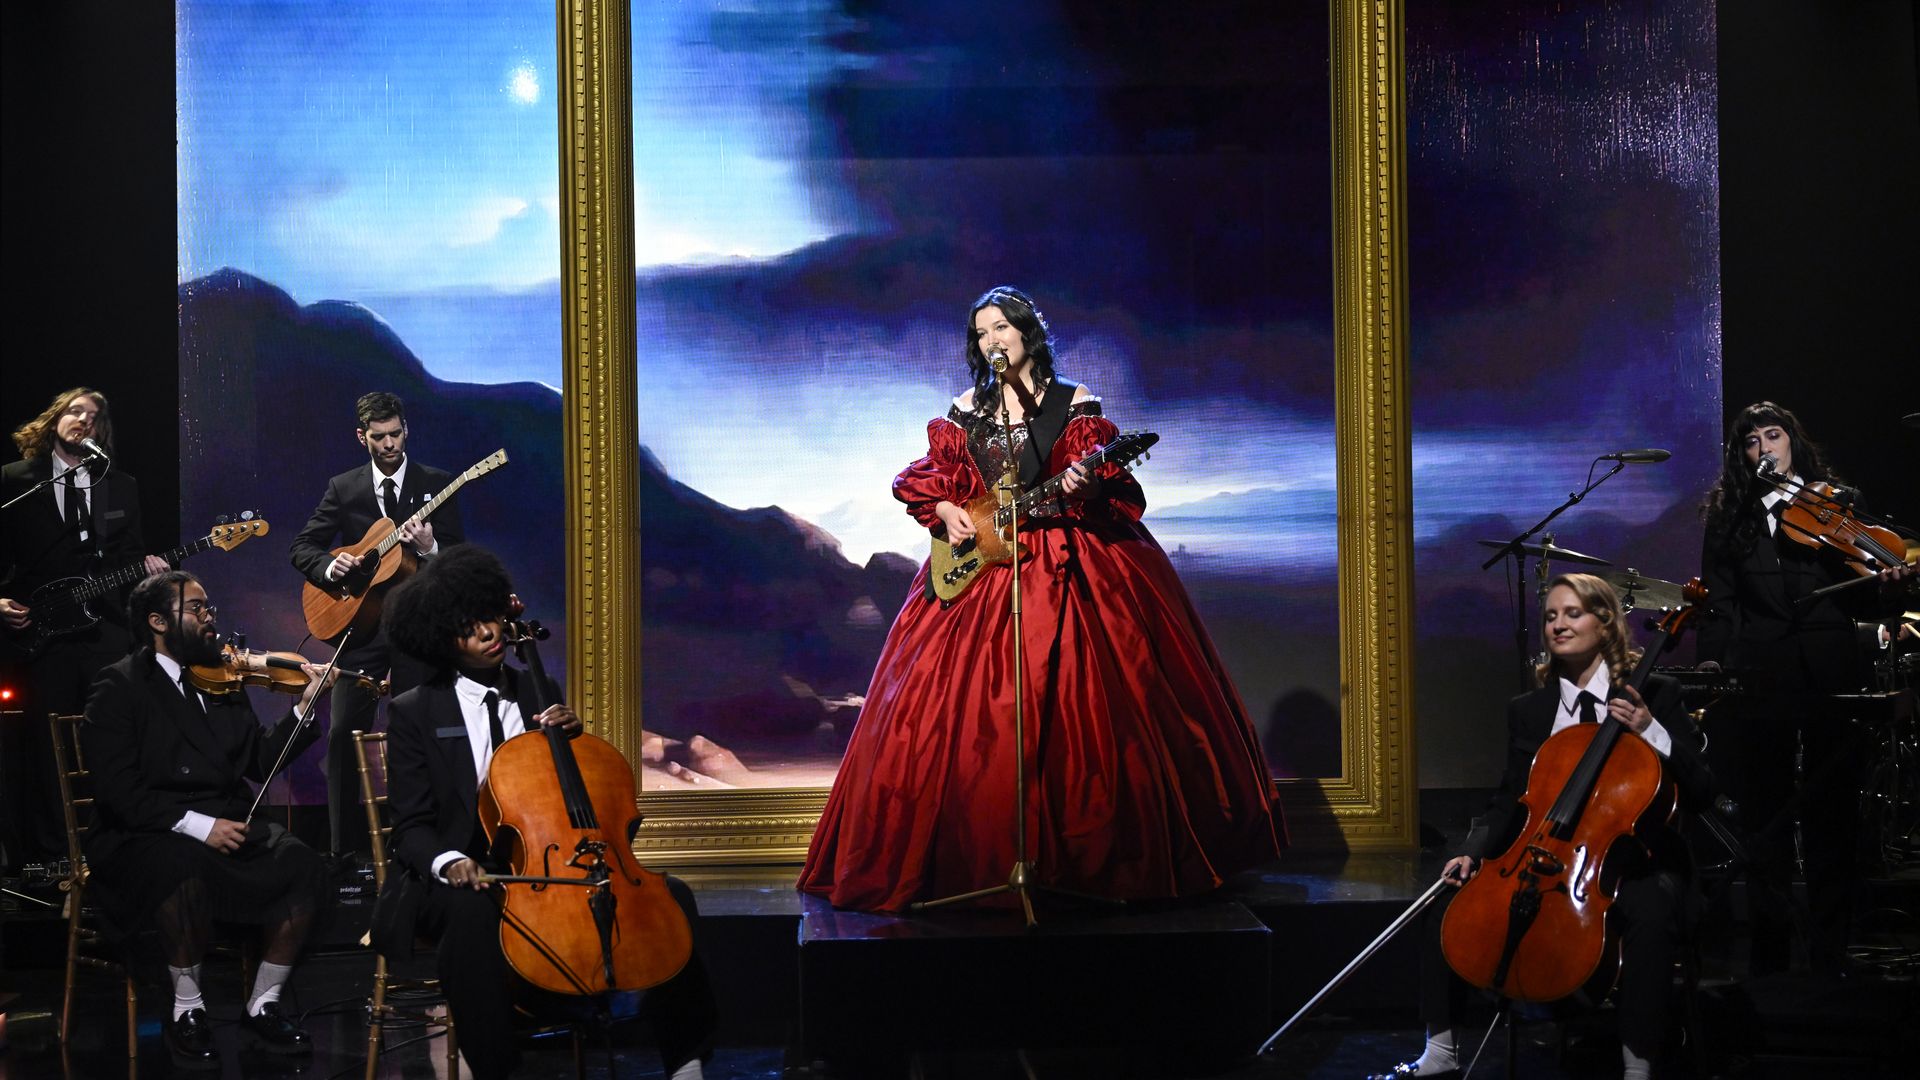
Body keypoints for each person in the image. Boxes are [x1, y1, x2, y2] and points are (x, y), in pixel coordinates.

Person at [798, 285, 1286, 911]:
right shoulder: (963, 410)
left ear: (1028, 333)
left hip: (1068, 560)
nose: (992, 340)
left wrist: (1082, 481)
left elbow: (1104, 489)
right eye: (981, 332)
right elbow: (928, 481)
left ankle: (1084, 867)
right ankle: (969, 862)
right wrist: (948, 510)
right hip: (984, 566)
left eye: (1002, 327)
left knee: (1093, 702)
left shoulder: (1072, 403)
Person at [374, 545, 715, 1080]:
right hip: (462, 873)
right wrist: (449, 862)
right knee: (471, 916)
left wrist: (572, 746)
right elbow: (411, 827)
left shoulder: (538, 689)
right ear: (443, 638)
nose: (488, 633)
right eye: (468, 628)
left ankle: (687, 1059)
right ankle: (495, 1068)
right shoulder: (415, 710)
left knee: (671, 897)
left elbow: (567, 802)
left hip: (546, 866)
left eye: (489, 617)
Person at [1370, 573, 1713, 1080]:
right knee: (1447, 897)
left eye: (1572, 613)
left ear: (1605, 623)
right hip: (1547, 855)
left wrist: (1649, 730)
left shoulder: (1657, 694)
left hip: (1636, 860)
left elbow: (1703, 788)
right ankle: (1441, 1052)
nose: (1558, 625)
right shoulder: (1529, 712)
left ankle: (1638, 1065)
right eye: (1551, 616)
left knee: (1650, 909)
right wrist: (1470, 851)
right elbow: (1510, 801)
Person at [81, 570, 333, 1069]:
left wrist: (303, 709)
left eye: (209, 607)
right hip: (146, 833)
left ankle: (263, 1003)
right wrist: (199, 825)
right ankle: (186, 1010)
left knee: (303, 864)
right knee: (180, 865)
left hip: (226, 823)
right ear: (157, 622)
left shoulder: (222, 679)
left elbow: (257, 762)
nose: (209, 617)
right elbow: (118, 793)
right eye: (195, 609)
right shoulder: (119, 685)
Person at [1697, 401, 1912, 977]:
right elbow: (1719, 603)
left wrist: (1888, 585)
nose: (1765, 447)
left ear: (1793, 441)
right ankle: (1770, 953)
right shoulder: (1729, 515)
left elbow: (1865, 597)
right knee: (1764, 813)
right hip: (1762, 673)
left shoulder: (1838, 503)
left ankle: (1829, 955)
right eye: (1752, 441)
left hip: (1831, 669)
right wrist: (1715, 663)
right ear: (1741, 455)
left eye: (1774, 435)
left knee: (1831, 811)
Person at [289, 391, 465, 856]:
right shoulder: (343, 488)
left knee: (421, 738)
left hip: (418, 634)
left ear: (406, 430)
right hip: (361, 631)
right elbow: (303, 547)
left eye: (395, 434)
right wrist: (331, 567)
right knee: (343, 737)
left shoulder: (438, 483)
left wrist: (429, 549)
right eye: (378, 437)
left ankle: (424, 849)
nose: (389, 444)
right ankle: (343, 857)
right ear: (361, 437)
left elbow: (457, 564)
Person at [0, 387, 168, 864]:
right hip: (41, 632)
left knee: (110, 736)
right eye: (75, 412)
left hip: (104, 629)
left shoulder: (121, 484)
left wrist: (149, 565)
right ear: (54, 419)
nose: (83, 422)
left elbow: (130, 555)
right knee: (47, 741)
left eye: (93, 417)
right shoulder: (15, 480)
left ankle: (111, 845)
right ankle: (56, 853)